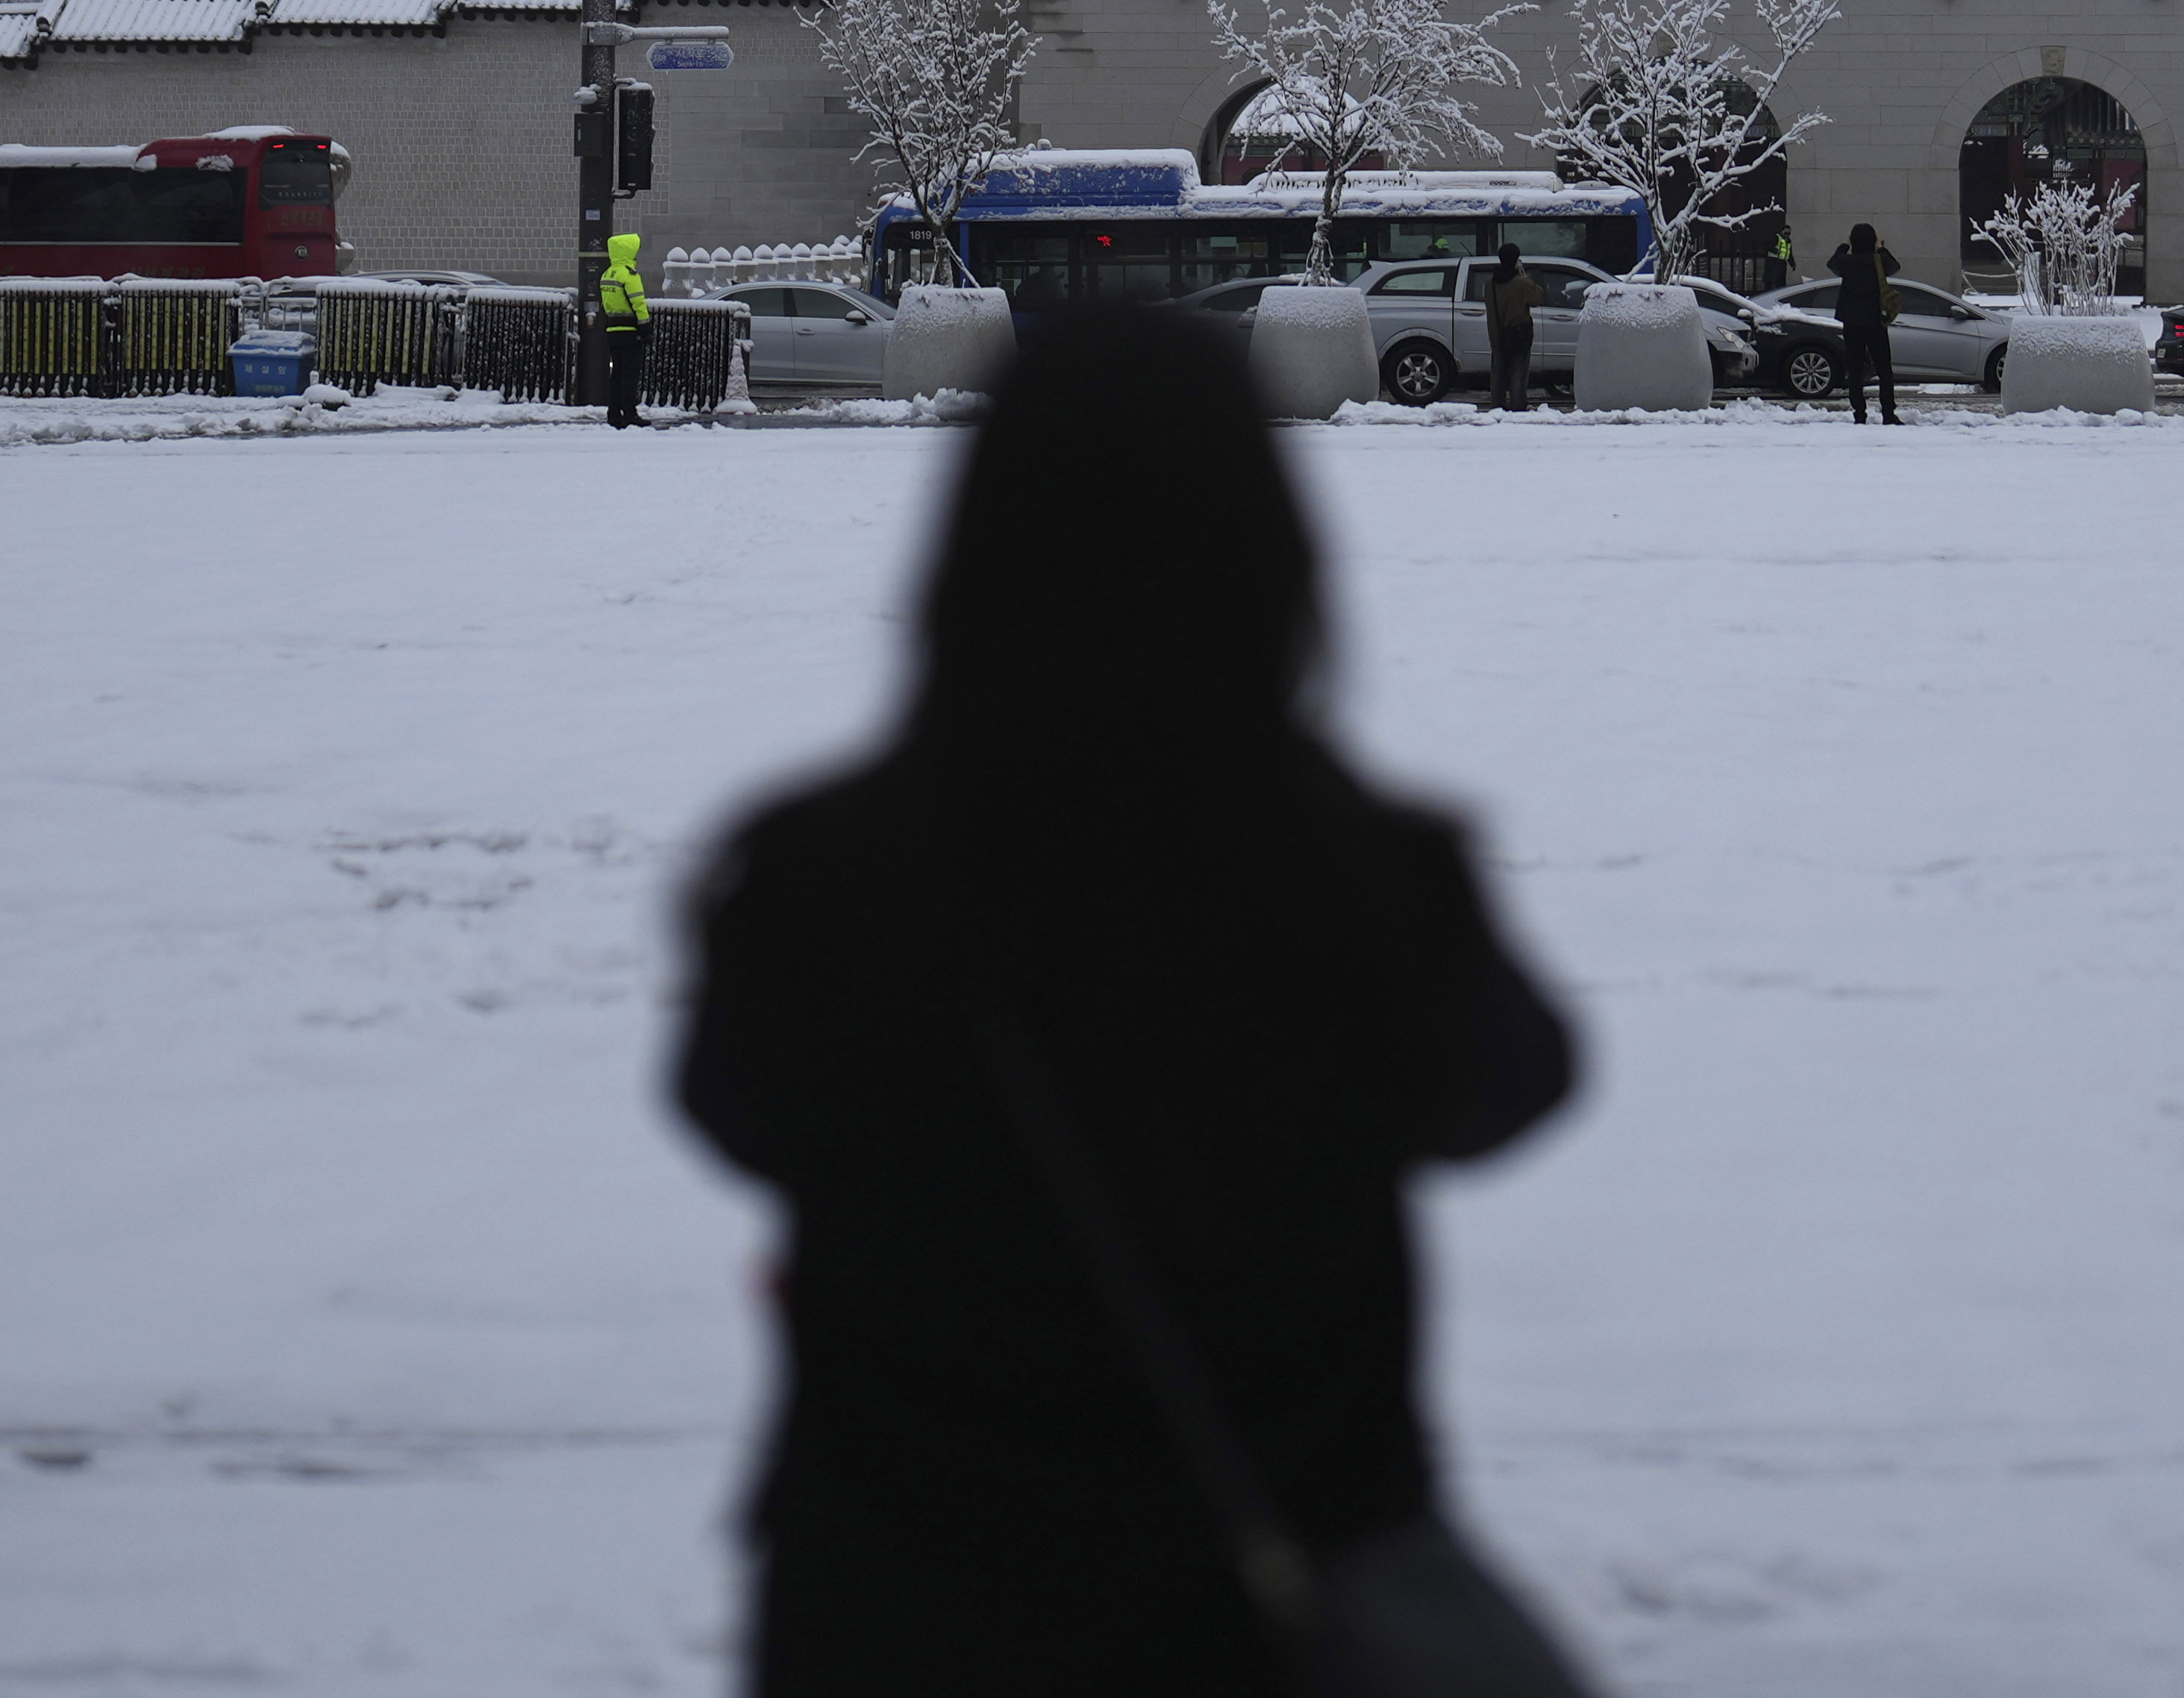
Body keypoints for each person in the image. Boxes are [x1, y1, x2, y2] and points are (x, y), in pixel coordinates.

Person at [673, 308, 1585, 1695]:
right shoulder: (1361, 875)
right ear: (1269, 550)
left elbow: (731, 1105)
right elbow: (1510, 1084)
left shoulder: (818, 872)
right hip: (1262, 1596)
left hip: (896, 1606)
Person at [1824, 219, 1900, 425]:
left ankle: (1860, 414)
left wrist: (1844, 245)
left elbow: (1832, 263)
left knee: (1855, 369)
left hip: (1852, 322)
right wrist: (1881, 248)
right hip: (1875, 321)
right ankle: (1888, 413)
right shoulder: (1878, 260)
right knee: (1884, 369)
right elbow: (1894, 267)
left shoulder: (1847, 262)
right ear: (1873, 241)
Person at [598, 226, 655, 427]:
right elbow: (639, 304)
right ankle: (630, 413)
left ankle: (613, 413)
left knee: (617, 374)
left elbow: (606, 305)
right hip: (631, 333)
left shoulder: (607, 274)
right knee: (630, 374)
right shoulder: (629, 276)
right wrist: (646, 330)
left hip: (612, 331)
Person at [1480, 240, 1541, 414]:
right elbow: (1537, 298)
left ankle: (1497, 406)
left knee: (1498, 373)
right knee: (1518, 373)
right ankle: (1517, 406)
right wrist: (1525, 276)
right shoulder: (1521, 282)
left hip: (1496, 334)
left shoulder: (1489, 282)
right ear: (1516, 260)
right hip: (1518, 334)